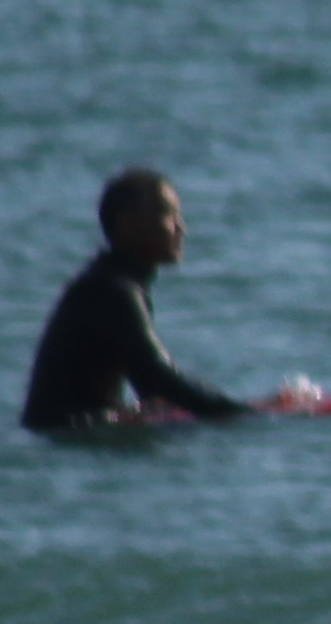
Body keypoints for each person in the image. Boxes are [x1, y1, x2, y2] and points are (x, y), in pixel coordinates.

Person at [20, 169, 278, 431]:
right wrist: (243, 415)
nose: (182, 228)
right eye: (168, 215)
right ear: (127, 224)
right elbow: (156, 379)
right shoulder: (113, 291)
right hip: (68, 434)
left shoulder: (108, 283)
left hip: (71, 431)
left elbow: (150, 388)